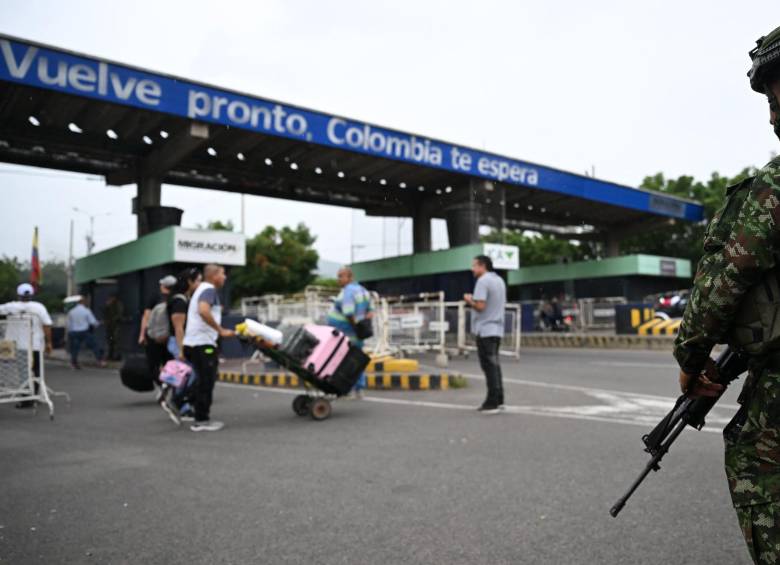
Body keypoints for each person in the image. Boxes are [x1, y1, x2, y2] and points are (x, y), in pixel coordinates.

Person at [674, 26, 780, 564]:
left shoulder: (773, 189)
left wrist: (693, 359)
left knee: (759, 474)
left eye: (773, 94)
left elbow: (722, 286)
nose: (771, 114)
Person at [183, 264, 234, 432]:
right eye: (223, 274)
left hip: (194, 343)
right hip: (203, 343)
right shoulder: (209, 289)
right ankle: (201, 420)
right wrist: (220, 330)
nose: (225, 277)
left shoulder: (201, 290)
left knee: (200, 380)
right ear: (214, 276)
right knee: (206, 381)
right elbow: (203, 310)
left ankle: (182, 404)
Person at [158, 267, 202, 424]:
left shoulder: (182, 299)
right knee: (190, 375)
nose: (200, 283)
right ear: (189, 282)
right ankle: (178, 402)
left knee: (183, 375)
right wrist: (182, 349)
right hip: (178, 342)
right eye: (197, 280)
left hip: (180, 341)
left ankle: (181, 404)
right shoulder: (178, 301)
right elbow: (178, 327)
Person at [464, 255, 506, 414]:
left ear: (482, 266)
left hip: (485, 330)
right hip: (497, 329)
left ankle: (492, 402)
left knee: (488, 366)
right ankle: (500, 398)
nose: (472, 269)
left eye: (474, 265)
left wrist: (470, 300)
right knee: (495, 365)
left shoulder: (482, 281)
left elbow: (480, 306)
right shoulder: (499, 280)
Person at [0, 283, 53, 408]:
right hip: (35, 345)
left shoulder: (10, 306)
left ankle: (27, 399)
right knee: (37, 371)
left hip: (18, 346)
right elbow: (47, 325)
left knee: (24, 371)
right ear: (32, 294)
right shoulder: (39, 307)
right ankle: (36, 395)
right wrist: (50, 343)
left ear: (18, 294)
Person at [326, 267, 374, 399]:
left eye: (341, 276)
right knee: (357, 359)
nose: (339, 279)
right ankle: (359, 389)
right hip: (357, 333)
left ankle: (349, 389)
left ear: (350, 277)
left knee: (344, 360)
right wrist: (363, 324)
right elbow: (371, 311)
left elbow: (348, 313)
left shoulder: (348, 291)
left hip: (346, 331)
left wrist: (355, 326)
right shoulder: (363, 291)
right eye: (338, 276)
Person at [139, 275, 177, 384]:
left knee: (153, 365)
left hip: (153, 337)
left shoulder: (155, 297)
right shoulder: (176, 299)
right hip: (170, 337)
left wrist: (142, 335)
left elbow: (146, 316)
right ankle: (170, 385)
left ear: (163, 286)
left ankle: (162, 384)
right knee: (169, 363)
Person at [67, 295, 105, 369]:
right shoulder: (86, 310)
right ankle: (100, 361)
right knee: (94, 345)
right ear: (83, 302)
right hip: (84, 332)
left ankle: (73, 363)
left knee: (75, 348)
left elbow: (69, 324)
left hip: (74, 332)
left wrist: (70, 332)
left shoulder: (71, 311)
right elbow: (93, 322)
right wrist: (100, 323)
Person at [103, 294, 123, 361]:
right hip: (109, 326)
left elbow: (119, 314)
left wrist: (113, 319)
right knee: (110, 341)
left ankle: (115, 356)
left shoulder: (118, 304)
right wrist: (107, 306)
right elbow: (105, 313)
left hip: (115, 326)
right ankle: (110, 355)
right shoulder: (108, 305)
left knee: (115, 342)